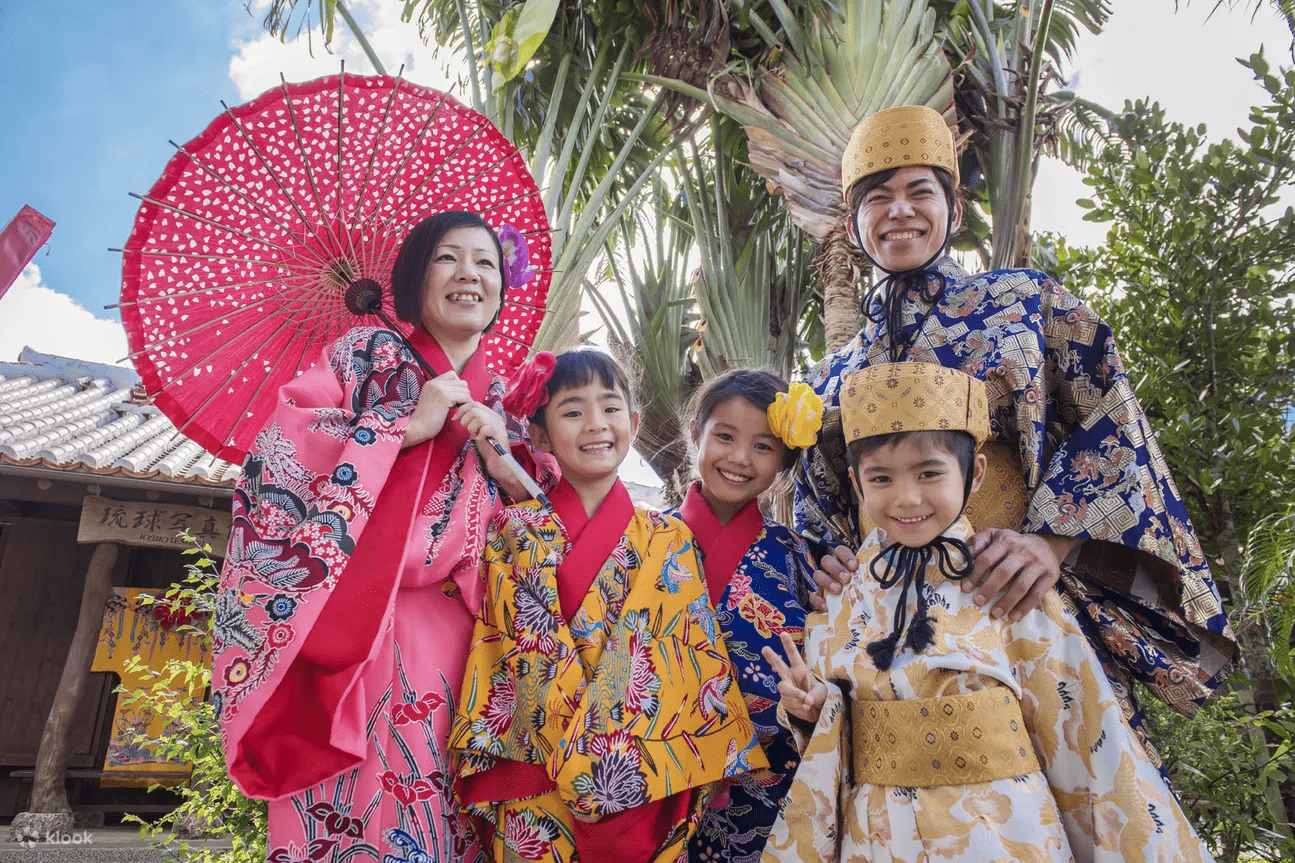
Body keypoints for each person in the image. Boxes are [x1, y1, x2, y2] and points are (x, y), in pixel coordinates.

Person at [796, 105, 1235, 765]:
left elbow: (1111, 422)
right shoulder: (828, 373)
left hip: (1023, 596)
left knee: (1072, 792)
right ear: (853, 221)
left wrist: (1051, 544)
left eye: (920, 191)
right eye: (876, 197)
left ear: (953, 207)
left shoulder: (1025, 302)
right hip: (892, 621)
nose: (899, 211)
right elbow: (815, 501)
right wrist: (819, 557)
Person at [763, 361, 1215, 862]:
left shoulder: (1006, 579)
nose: (907, 497)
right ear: (856, 482)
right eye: (882, 478)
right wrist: (816, 706)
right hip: (879, 835)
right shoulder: (845, 591)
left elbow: (1081, 729)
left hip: (1002, 832)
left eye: (930, 472)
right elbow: (843, 710)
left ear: (974, 472)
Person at [213, 211, 553, 863]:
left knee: (451, 813)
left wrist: (504, 457)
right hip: (359, 618)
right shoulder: (360, 354)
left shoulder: (501, 392)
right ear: (414, 275)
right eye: (447, 258)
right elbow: (285, 448)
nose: (468, 275)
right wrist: (407, 423)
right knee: (363, 804)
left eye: (485, 262)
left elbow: (546, 516)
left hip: (472, 635)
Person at [450, 349, 765, 863]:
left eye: (611, 408)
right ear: (541, 436)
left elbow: (684, 664)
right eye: (573, 411)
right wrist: (592, 770)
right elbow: (526, 657)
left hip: (645, 784)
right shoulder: (515, 532)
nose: (596, 424)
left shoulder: (669, 536)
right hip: (542, 783)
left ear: (634, 422)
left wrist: (612, 774)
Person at [664, 369, 820, 863]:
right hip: (660, 772)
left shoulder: (800, 556)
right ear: (696, 434)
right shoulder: (644, 540)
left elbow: (823, 660)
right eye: (725, 437)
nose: (738, 458)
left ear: (784, 459)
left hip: (767, 784)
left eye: (762, 446)